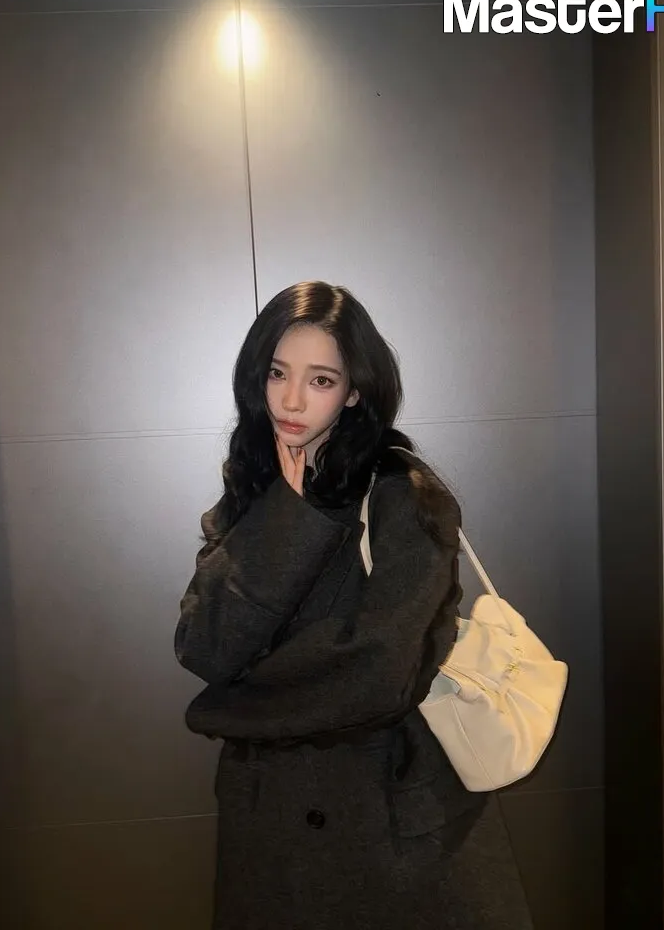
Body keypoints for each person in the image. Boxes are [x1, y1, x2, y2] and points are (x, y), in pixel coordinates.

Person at [174, 281, 534, 930]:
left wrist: (233, 706)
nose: (291, 399)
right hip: (271, 831)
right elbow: (205, 648)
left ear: (354, 391)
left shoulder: (403, 497)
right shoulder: (250, 494)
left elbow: (377, 676)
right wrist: (282, 521)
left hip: (391, 827)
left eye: (320, 380)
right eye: (278, 373)